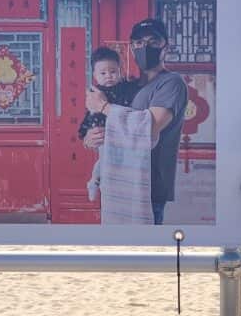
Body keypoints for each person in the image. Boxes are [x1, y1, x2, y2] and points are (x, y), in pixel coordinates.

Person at [83, 18, 188, 225]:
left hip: (149, 187)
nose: (145, 47)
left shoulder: (171, 83)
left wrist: (103, 106)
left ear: (165, 45)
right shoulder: (126, 87)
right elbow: (109, 126)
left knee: (145, 251)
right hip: (117, 184)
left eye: (153, 41)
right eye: (139, 42)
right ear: (131, 48)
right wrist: (89, 138)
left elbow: (148, 128)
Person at [78, 47, 141, 201]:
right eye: (103, 73)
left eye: (113, 72)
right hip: (104, 136)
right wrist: (85, 133)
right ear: (95, 76)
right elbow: (89, 115)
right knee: (104, 160)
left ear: (120, 71)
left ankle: (102, 182)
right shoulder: (94, 94)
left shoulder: (126, 88)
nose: (109, 76)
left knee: (122, 164)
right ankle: (95, 181)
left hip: (124, 136)